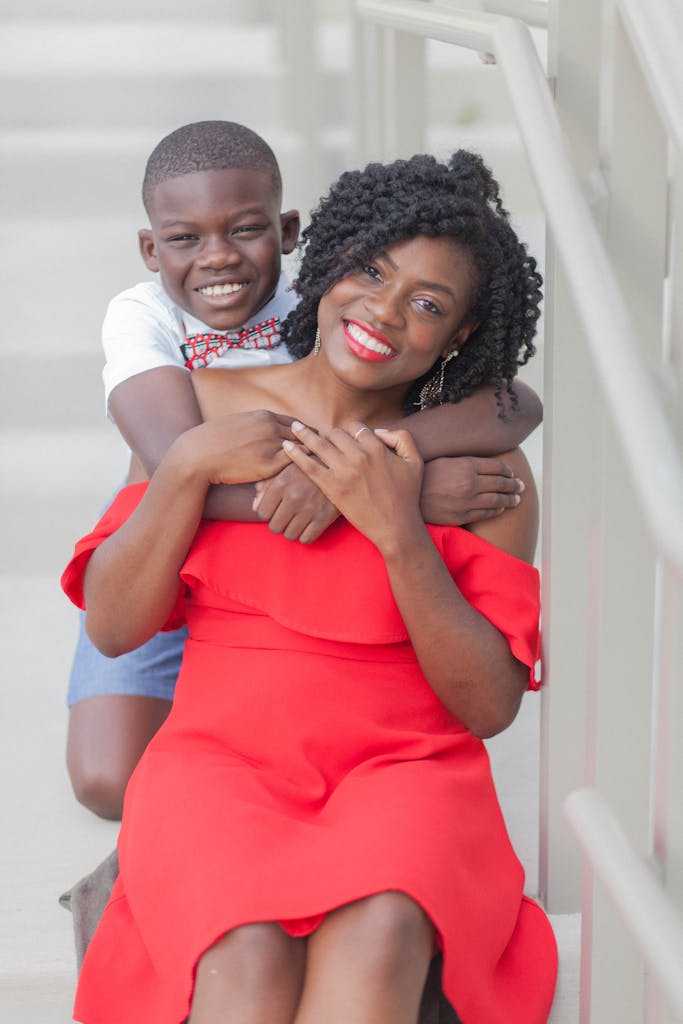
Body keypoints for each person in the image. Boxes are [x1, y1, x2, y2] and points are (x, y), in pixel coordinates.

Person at [62, 149, 556, 1023]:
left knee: (383, 930)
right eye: (370, 272)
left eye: (427, 304)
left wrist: (398, 527)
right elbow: (113, 627)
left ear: (460, 337)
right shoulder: (201, 411)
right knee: (239, 952)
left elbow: (487, 707)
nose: (382, 311)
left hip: (406, 765)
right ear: (326, 264)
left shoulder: (486, 471)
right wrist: (182, 473)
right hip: (220, 758)